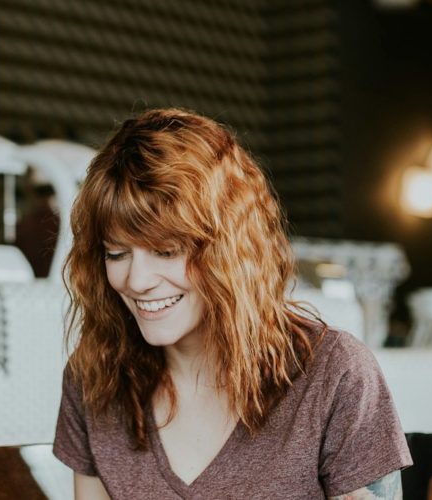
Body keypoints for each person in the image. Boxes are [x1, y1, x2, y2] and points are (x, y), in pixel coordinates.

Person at [52, 108, 412, 499]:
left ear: (229, 250)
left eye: (167, 251)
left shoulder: (333, 374)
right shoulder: (93, 377)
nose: (136, 281)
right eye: (117, 254)